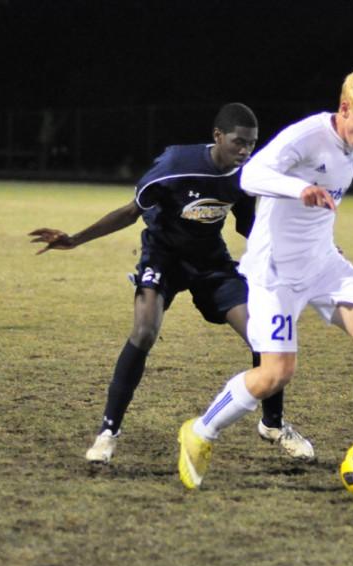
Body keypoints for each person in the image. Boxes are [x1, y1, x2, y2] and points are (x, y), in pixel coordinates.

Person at [177, 66, 353, 490]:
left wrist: (324, 235)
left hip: (323, 261)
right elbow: (251, 175)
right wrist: (299, 189)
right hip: (276, 270)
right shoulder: (307, 135)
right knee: (275, 374)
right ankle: (200, 432)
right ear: (344, 108)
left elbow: (321, 200)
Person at [30, 103, 315, 464]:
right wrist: (76, 239)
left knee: (263, 337)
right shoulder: (174, 165)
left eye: (252, 144)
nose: (245, 151)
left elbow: (249, 227)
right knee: (144, 332)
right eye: (238, 142)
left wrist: (302, 249)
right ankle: (107, 432)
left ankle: (273, 425)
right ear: (217, 137)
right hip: (163, 258)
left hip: (211, 262)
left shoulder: (244, 176)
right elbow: (131, 211)